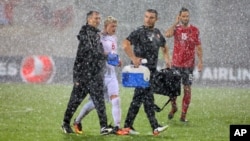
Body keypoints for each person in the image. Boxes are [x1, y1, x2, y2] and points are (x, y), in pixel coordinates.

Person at [73, 16, 128, 135]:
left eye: (115, 26)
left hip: (111, 74)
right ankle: (77, 121)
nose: (114, 28)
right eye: (112, 26)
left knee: (115, 98)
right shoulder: (99, 37)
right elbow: (96, 53)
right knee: (95, 103)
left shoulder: (114, 37)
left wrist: (117, 61)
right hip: (100, 75)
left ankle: (117, 127)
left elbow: (112, 54)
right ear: (105, 26)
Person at [61, 11, 113, 135]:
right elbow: (91, 52)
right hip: (84, 75)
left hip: (95, 75)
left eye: (99, 18)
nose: (98, 20)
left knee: (99, 102)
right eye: (96, 18)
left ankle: (103, 127)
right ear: (89, 19)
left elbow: (94, 52)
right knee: (74, 102)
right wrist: (106, 56)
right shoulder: (86, 32)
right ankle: (65, 123)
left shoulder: (95, 34)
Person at [122, 9, 171, 136]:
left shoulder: (157, 33)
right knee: (147, 98)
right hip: (141, 71)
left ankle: (127, 126)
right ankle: (155, 127)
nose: (148, 19)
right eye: (146, 17)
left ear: (156, 19)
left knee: (138, 99)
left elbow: (164, 47)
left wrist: (167, 60)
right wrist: (133, 58)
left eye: (151, 17)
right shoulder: (139, 31)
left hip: (152, 71)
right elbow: (125, 44)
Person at [165, 7, 203, 122]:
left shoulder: (195, 30)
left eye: (187, 16)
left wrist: (200, 61)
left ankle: (183, 115)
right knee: (173, 89)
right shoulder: (176, 29)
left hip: (188, 66)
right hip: (176, 64)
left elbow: (199, 46)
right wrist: (175, 23)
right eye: (183, 16)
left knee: (187, 89)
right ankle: (174, 107)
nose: (186, 18)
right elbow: (167, 34)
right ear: (179, 17)